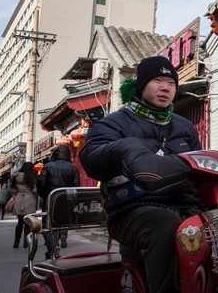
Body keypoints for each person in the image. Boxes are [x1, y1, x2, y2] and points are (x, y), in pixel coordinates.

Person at [80, 55, 201, 293]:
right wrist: (118, 150)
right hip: (131, 211)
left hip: (186, 207)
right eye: (157, 80)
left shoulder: (185, 127)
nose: (165, 87)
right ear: (141, 85)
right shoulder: (112, 124)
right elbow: (91, 159)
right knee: (165, 224)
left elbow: (198, 166)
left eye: (171, 82)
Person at [37, 144, 80, 259]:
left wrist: (44, 196)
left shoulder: (47, 167)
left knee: (46, 225)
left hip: (50, 199)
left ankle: (52, 248)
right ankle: (63, 235)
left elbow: (41, 184)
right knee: (62, 221)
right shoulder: (73, 168)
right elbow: (76, 187)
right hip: (65, 199)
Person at [10, 161, 39, 248]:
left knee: (19, 222)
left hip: (19, 199)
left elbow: (13, 190)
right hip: (29, 199)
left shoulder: (16, 177)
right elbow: (35, 190)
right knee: (27, 222)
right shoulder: (32, 177)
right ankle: (26, 242)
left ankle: (16, 242)